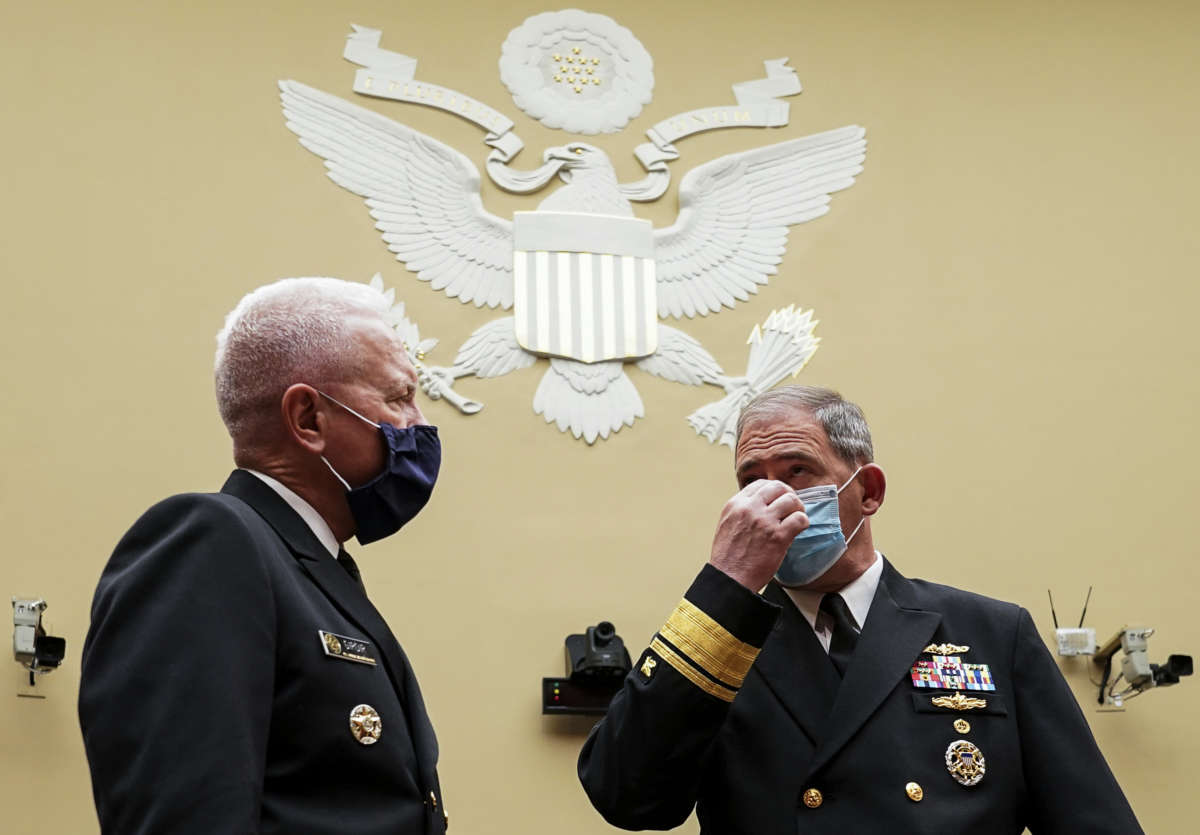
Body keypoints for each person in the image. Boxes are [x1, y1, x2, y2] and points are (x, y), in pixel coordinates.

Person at [578, 385, 1141, 833]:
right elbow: (626, 797)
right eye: (751, 481)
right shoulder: (718, 639)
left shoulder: (992, 632)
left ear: (868, 490)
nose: (770, 499)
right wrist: (725, 585)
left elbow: (1088, 816)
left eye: (798, 471)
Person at [79, 277, 449, 834]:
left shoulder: (312, 568)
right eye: (399, 398)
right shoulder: (212, 544)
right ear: (307, 419)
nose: (418, 423)